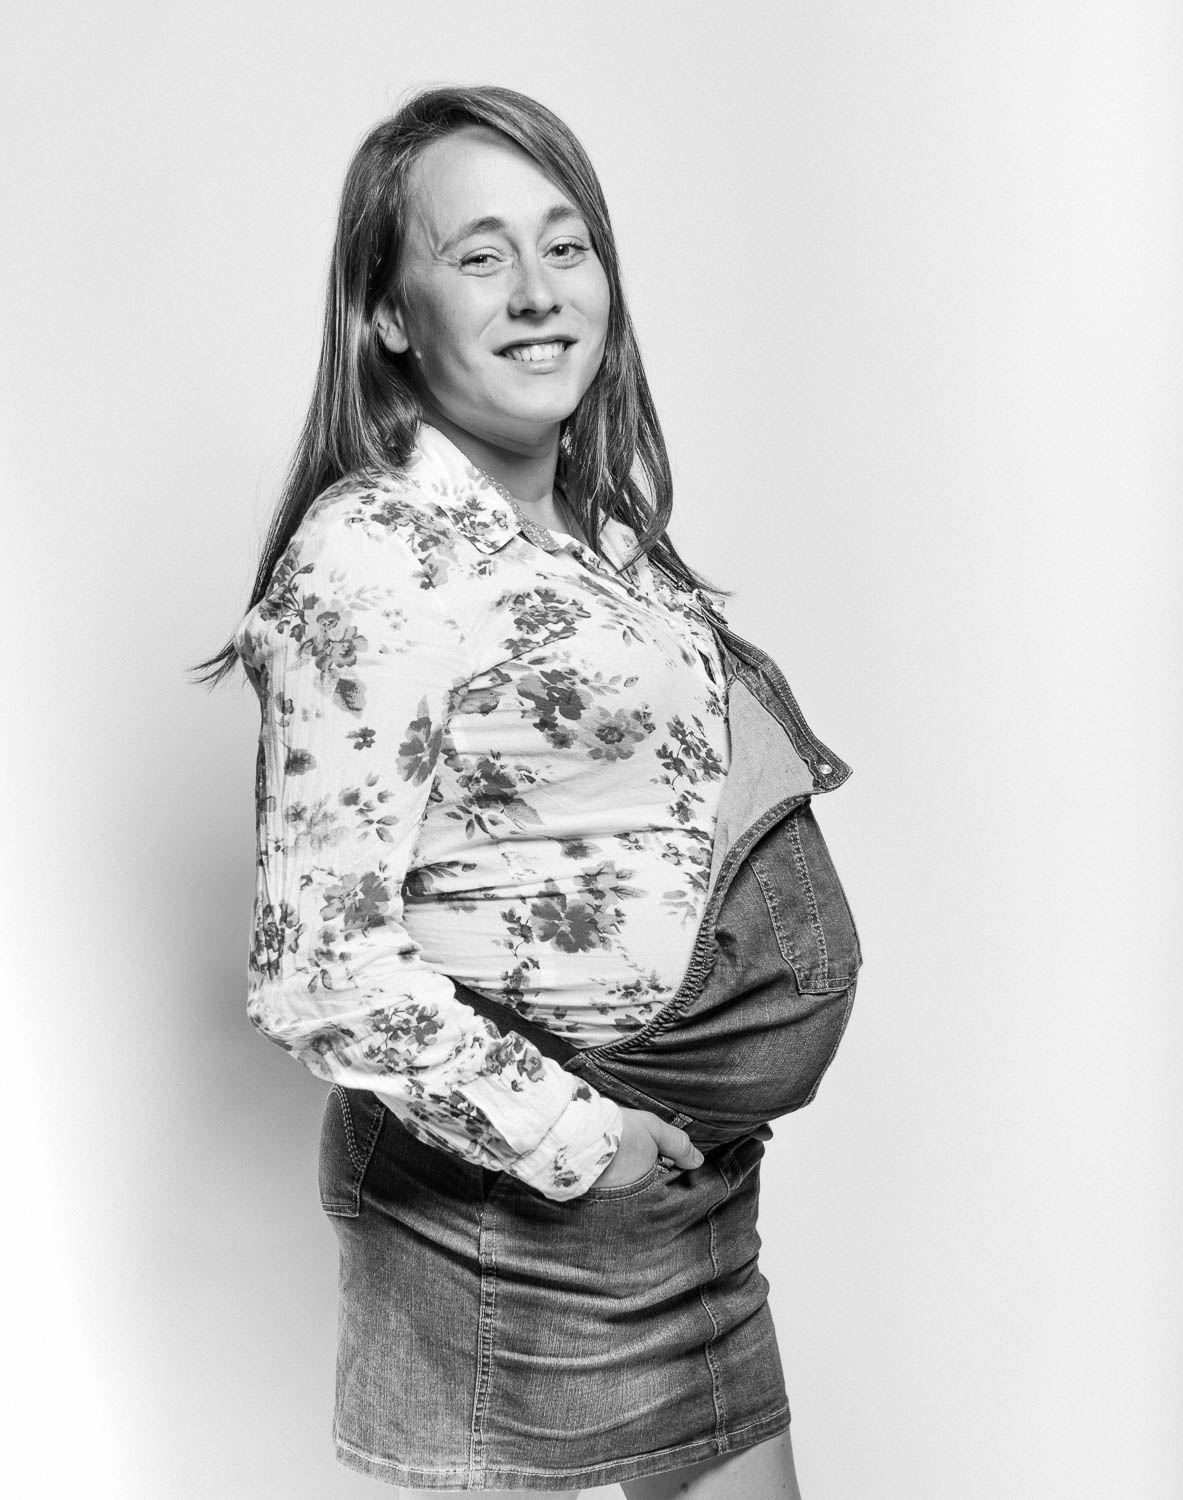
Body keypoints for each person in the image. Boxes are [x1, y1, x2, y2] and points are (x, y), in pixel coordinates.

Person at [193, 84, 861, 1499]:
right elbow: (320, 971)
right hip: (509, 1228)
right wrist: (580, 1141)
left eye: (567, 246)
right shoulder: (376, 556)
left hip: (687, 1214)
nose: (539, 292)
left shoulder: (592, 532)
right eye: (480, 255)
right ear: (388, 311)